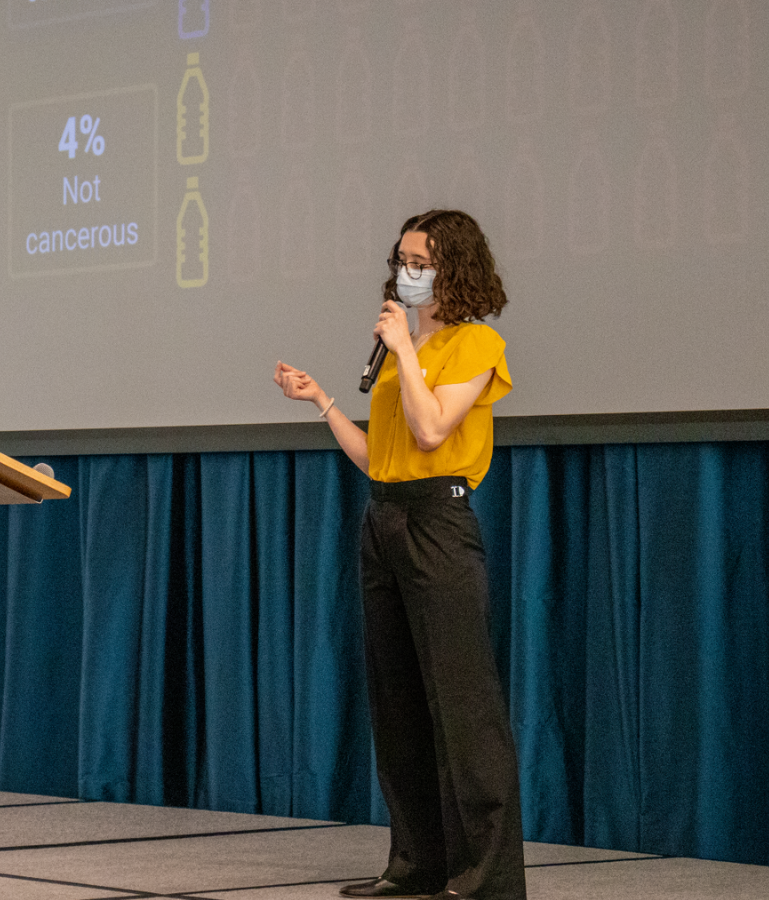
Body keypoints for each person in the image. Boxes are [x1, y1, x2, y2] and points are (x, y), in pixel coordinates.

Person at [274, 210, 524, 900]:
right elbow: (382, 462)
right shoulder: (402, 353)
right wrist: (322, 400)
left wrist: (408, 351)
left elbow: (431, 428)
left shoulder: (475, 344)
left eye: (419, 262)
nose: (405, 273)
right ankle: (417, 865)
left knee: (463, 706)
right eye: (402, 259)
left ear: (454, 269)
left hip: (438, 524)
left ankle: (486, 882)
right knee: (397, 702)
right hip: (385, 519)